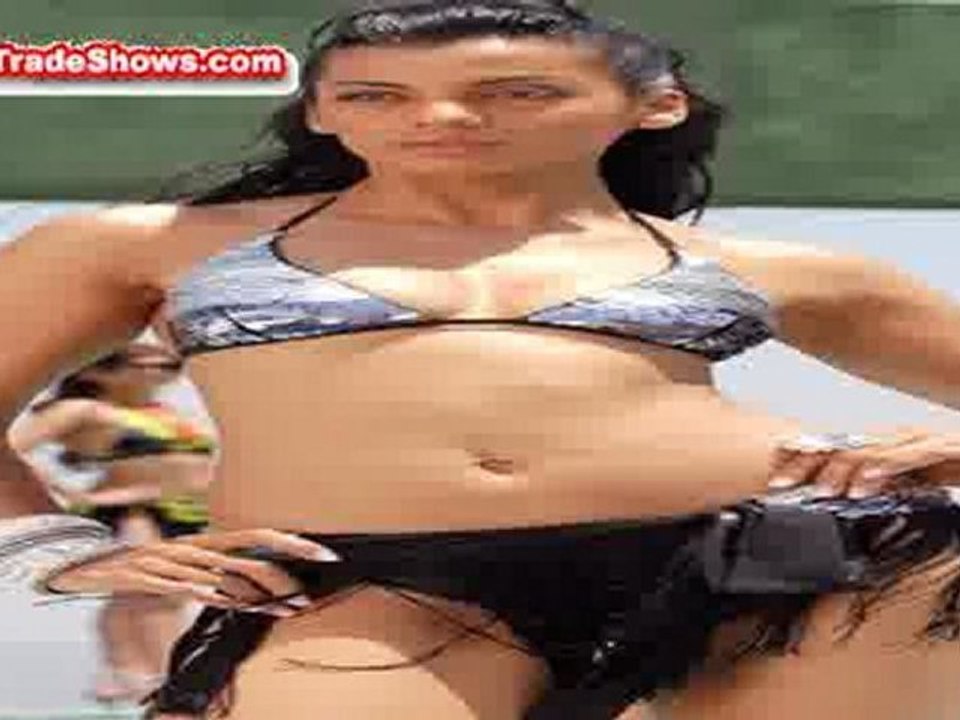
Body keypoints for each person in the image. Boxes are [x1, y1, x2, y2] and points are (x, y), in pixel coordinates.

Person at [1, 1, 960, 719]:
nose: (443, 118)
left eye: (516, 92)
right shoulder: (142, 246)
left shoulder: (773, 266)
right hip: (362, 585)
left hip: (785, 575)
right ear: (323, 112)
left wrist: (945, 451)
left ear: (655, 104)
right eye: (377, 95)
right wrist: (58, 554)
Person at [7, 343, 216, 703]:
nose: (159, 366)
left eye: (167, 362)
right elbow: (10, 448)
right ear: (97, 371)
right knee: (157, 589)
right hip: (130, 511)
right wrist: (64, 492)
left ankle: (128, 671)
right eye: (142, 361)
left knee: (154, 592)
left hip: (184, 513)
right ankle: (169, 680)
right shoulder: (81, 409)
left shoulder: (168, 413)